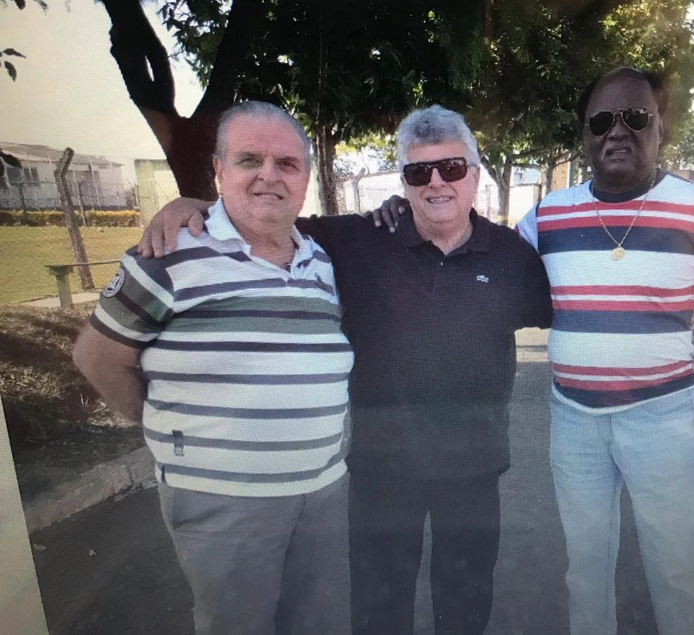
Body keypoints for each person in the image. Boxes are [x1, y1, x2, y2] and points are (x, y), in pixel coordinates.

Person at [137, 105, 553, 635]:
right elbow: (264, 215)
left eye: (451, 168)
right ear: (403, 180)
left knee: (467, 599)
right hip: (379, 470)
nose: (436, 184)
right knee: (380, 607)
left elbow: (556, 311)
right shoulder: (356, 240)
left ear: (474, 173)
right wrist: (188, 204)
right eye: (417, 171)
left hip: (474, 466)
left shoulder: (512, 255)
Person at [73, 101, 354, 635]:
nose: (269, 175)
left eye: (287, 164)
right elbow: (95, 357)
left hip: (321, 493)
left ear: (305, 178)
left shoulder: (319, 260)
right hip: (225, 503)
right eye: (250, 159)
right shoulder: (169, 253)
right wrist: (163, 425)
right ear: (220, 170)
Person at [516, 67, 694, 635]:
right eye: (601, 121)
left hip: (663, 419)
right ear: (584, 136)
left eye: (635, 117)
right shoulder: (548, 215)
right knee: (586, 569)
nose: (616, 132)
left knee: (677, 568)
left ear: (660, 128)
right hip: (575, 420)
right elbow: (484, 259)